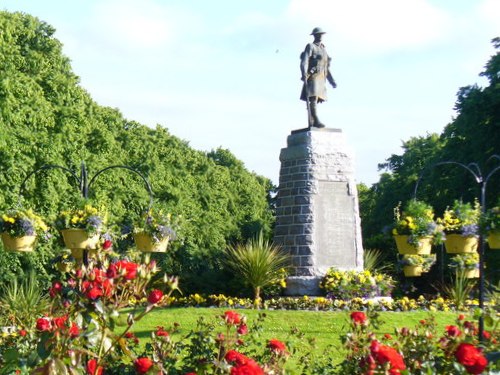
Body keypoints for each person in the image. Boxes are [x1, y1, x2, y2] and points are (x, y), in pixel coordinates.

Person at [300, 27, 337, 128]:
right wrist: (304, 73)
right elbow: (305, 60)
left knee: (315, 99)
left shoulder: (324, 49)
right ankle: (315, 119)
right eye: (318, 34)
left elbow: (326, 67)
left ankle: (314, 119)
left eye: (321, 34)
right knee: (313, 97)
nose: (320, 36)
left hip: (321, 77)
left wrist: (331, 81)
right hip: (313, 75)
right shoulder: (311, 46)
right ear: (314, 35)